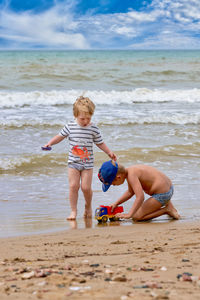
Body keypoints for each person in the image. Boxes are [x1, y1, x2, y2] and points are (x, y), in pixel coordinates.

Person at [43, 96, 117, 220]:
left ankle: (88, 206)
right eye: (83, 118)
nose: (86, 121)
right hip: (73, 163)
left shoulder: (93, 128)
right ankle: (73, 211)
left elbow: (100, 142)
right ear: (75, 115)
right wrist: (49, 143)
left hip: (87, 164)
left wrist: (109, 152)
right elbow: (59, 136)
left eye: (89, 118)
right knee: (73, 186)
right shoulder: (70, 126)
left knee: (86, 188)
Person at [98, 160, 180, 221]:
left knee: (136, 217)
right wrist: (116, 203)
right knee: (155, 187)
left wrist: (129, 214)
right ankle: (169, 205)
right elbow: (130, 192)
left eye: (113, 184)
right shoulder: (131, 171)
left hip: (162, 194)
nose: (113, 185)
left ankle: (166, 210)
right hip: (168, 187)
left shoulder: (131, 176)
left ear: (118, 177)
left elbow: (140, 197)